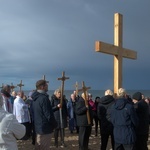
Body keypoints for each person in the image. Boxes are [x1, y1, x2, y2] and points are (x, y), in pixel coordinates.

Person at [32, 80, 57, 150]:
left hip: (38, 127)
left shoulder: (35, 98)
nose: (47, 86)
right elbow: (48, 114)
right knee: (44, 147)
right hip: (45, 129)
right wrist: (55, 124)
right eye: (46, 85)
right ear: (42, 87)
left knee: (38, 147)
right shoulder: (43, 98)